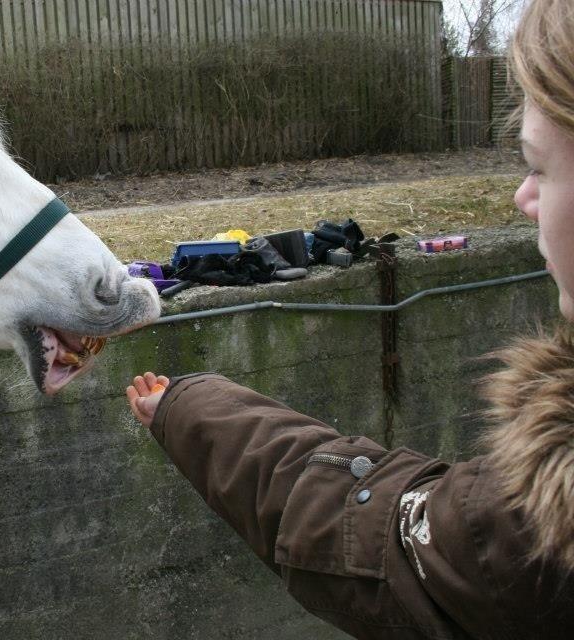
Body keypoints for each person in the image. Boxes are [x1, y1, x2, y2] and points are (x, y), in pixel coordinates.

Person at [125, 2, 574, 637]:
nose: (521, 198)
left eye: (539, 166)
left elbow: (387, 542)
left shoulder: (541, 527)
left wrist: (189, 408)